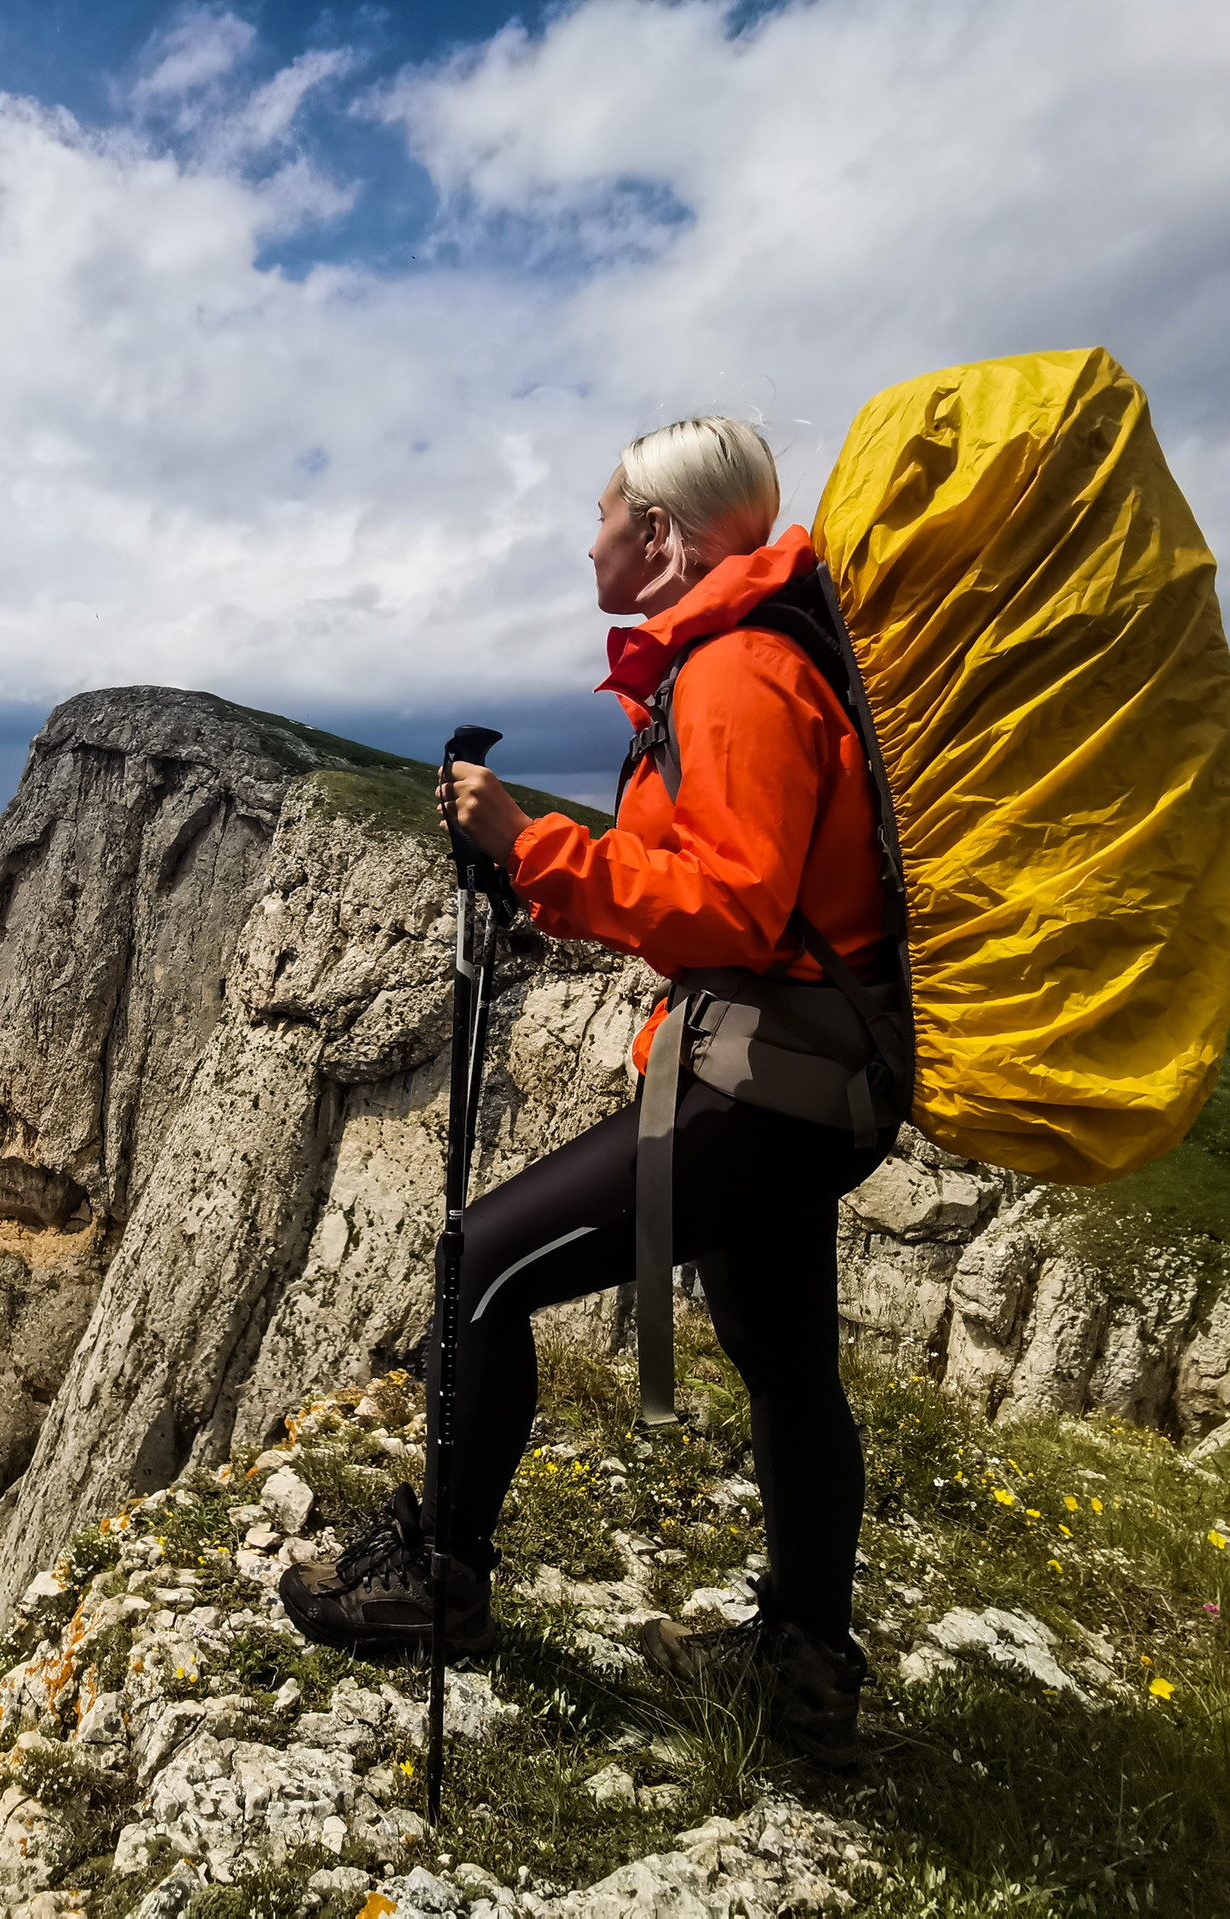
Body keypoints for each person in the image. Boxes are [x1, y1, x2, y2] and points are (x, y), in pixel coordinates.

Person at [279, 416, 897, 1770]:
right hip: (804, 1075)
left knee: (478, 1265)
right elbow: (709, 884)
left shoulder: (736, 673)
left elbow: (735, 907)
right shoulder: (741, 660)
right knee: (788, 1362)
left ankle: (440, 1577)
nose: (592, 536)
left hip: (768, 1084)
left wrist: (529, 842)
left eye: (607, 513)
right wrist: (544, 874)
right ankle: (804, 1675)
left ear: (660, 533)